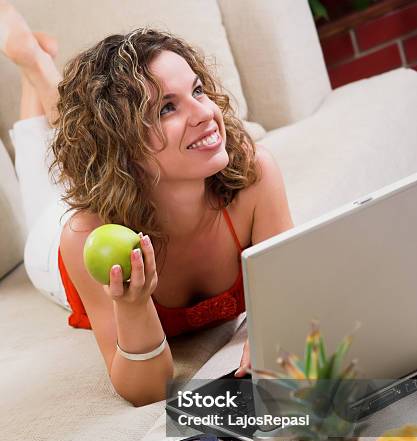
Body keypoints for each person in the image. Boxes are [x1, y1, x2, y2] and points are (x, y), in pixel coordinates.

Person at [1, 1, 293, 406]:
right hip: (57, 251)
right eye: (166, 108)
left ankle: (36, 68)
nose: (206, 113)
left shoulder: (255, 174)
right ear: (123, 148)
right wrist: (132, 306)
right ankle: (33, 62)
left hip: (118, 182)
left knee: (71, 144)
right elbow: (148, 393)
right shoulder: (83, 235)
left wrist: (277, 335)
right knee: (43, 176)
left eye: (198, 90)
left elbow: (291, 302)